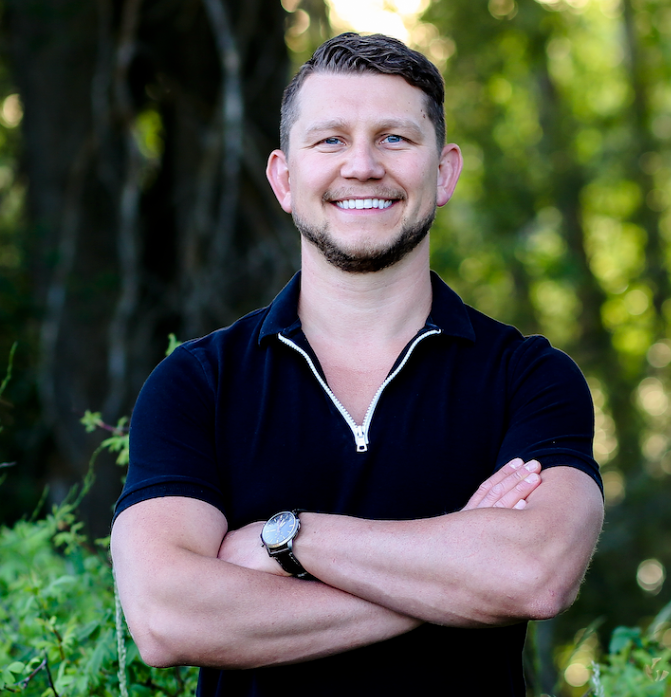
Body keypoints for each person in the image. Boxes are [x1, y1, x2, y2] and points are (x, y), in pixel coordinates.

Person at [111, 32, 604, 697]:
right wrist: (456, 578)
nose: (363, 166)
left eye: (394, 138)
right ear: (285, 179)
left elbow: (533, 575)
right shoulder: (197, 383)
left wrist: (289, 540)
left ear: (444, 171)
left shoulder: (528, 378)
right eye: (330, 140)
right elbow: (167, 618)